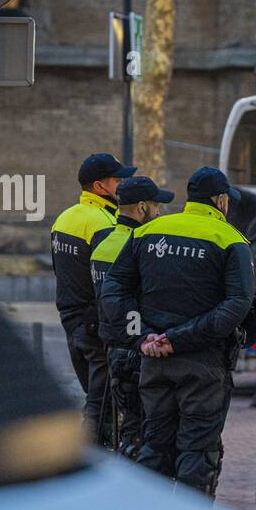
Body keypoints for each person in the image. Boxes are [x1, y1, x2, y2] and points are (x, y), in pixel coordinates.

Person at [100, 167, 254, 495]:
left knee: (154, 447)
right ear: (221, 200)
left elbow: (114, 287)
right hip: (203, 366)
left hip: (153, 361)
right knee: (197, 453)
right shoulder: (231, 239)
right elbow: (238, 305)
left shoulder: (149, 231)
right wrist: (180, 339)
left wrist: (142, 335)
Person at [51, 152, 135, 440]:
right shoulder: (103, 223)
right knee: (101, 407)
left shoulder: (64, 218)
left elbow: (59, 271)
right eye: (117, 179)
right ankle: (91, 467)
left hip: (70, 321)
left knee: (95, 398)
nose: (123, 184)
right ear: (100, 186)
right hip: (94, 324)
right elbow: (106, 282)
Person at [92, 176, 172, 458]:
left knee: (126, 429)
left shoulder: (102, 242)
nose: (159, 211)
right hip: (139, 348)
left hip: (114, 347)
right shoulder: (139, 246)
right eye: (156, 205)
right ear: (141, 207)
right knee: (145, 431)